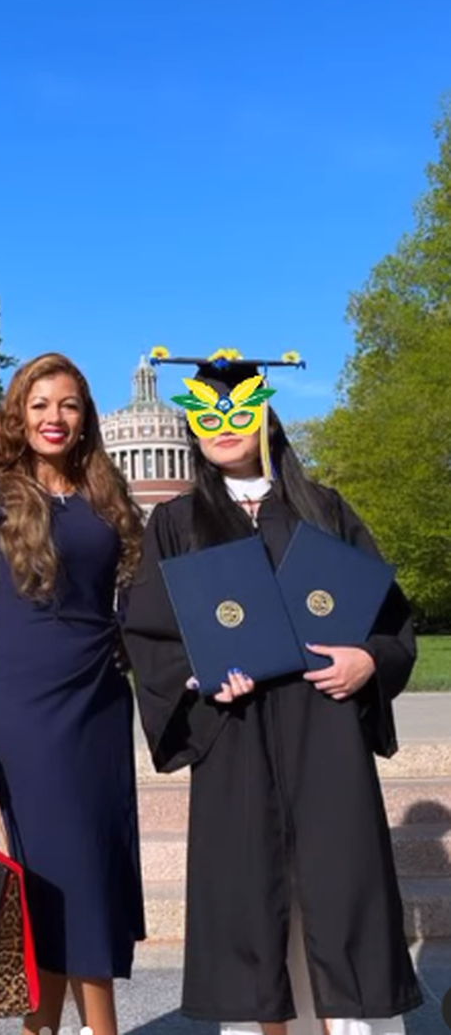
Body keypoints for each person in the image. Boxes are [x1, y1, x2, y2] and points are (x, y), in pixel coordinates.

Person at [122, 350, 422, 1035]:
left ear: (266, 418)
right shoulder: (175, 523)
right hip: (235, 734)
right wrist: (197, 680)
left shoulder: (323, 508)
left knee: (342, 896)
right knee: (248, 907)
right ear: (191, 429)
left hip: (326, 732)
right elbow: (150, 635)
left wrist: (368, 663)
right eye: (205, 416)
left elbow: (390, 620)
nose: (222, 426)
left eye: (238, 412)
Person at [0, 352, 146, 1035]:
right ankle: (98, 1028)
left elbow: (130, 602)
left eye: (66, 404)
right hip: (26, 714)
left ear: (84, 414)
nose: (53, 418)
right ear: (19, 415)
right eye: (39, 405)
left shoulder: (105, 493)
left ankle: (46, 1029)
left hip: (99, 701)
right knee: (57, 879)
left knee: (88, 866)